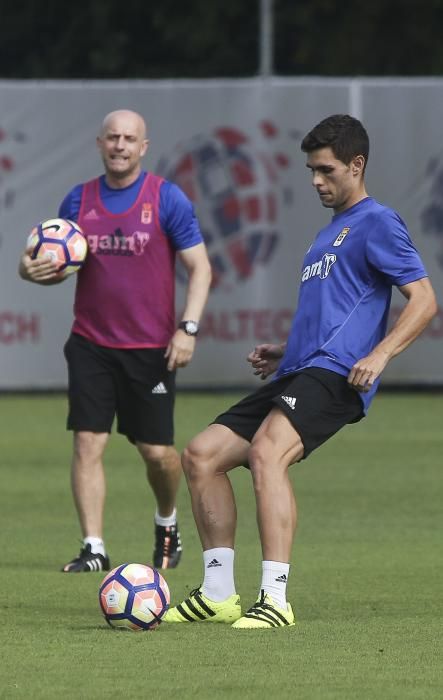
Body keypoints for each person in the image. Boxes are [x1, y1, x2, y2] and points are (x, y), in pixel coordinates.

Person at [164, 113, 437, 629]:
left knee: (268, 452)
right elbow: (338, 314)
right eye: (311, 170)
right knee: (201, 456)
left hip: (337, 376)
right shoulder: (328, 233)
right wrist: (286, 351)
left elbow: (424, 300)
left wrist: (379, 356)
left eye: (326, 170)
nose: (316, 180)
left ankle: (275, 599)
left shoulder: (377, 221)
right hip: (301, 369)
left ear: (357, 166)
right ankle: (219, 593)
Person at [18, 109, 212, 573]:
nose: (120, 145)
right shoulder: (78, 201)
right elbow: (56, 267)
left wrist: (187, 329)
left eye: (130, 138)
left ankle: (167, 521)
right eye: (113, 137)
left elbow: (200, 268)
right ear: (100, 143)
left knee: (158, 454)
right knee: (88, 442)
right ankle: (94, 547)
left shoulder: (167, 199)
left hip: (150, 348)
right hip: (91, 343)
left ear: (143, 147)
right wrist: (29, 272)